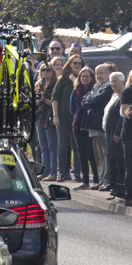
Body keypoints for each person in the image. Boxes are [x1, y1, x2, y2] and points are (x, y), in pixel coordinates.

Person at [81, 63, 113, 187]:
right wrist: (92, 100)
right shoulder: (96, 86)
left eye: (101, 73)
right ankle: (101, 180)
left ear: (108, 74)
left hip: (101, 126)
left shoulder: (108, 87)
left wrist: (92, 100)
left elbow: (97, 100)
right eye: (97, 73)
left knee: (104, 155)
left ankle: (106, 180)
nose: (98, 76)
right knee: (97, 156)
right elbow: (84, 101)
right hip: (93, 126)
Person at [53, 53, 83, 181]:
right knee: (63, 145)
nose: (76, 65)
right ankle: (62, 172)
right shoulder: (62, 79)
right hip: (63, 117)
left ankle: (77, 172)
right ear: (69, 64)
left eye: (79, 63)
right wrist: (55, 115)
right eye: (74, 63)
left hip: (78, 118)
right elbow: (55, 97)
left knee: (77, 146)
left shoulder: (84, 79)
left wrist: (75, 81)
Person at [117, 65, 132, 206]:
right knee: (131, 165)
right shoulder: (128, 91)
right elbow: (124, 109)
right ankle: (130, 194)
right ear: (131, 77)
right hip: (130, 133)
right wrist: (131, 114)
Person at [70, 65, 98, 188]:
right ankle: (85, 180)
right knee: (82, 154)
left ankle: (96, 179)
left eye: (87, 76)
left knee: (91, 153)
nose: (85, 78)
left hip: (90, 125)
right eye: (82, 76)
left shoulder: (95, 90)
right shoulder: (75, 91)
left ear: (92, 77)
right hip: (78, 125)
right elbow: (72, 108)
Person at [103, 71, 126, 199]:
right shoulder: (113, 95)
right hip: (108, 131)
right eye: (111, 81)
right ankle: (111, 183)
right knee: (110, 158)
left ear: (122, 82)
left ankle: (119, 185)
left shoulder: (123, 95)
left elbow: (120, 117)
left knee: (118, 160)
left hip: (116, 133)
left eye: (115, 81)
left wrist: (117, 132)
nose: (112, 84)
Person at [36, 64, 59, 179]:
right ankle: (44, 172)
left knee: (52, 145)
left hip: (50, 115)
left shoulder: (55, 84)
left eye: (48, 70)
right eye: (43, 70)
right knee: (43, 146)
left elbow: (55, 102)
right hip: (39, 115)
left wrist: (43, 99)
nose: (46, 72)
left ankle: (53, 172)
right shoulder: (38, 84)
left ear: (52, 71)